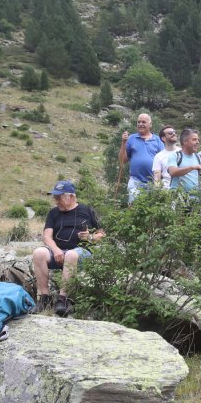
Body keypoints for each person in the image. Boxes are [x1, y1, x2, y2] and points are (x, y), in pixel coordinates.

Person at [32, 180, 104, 316]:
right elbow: (47, 236)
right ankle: (44, 298)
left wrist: (90, 237)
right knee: (38, 253)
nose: (56, 201)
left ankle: (62, 299)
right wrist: (56, 250)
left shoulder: (87, 210)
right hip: (58, 252)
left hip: (81, 252)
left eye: (59, 197)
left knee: (71, 254)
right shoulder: (53, 213)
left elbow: (101, 234)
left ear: (71, 196)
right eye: (55, 197)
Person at [119, 114, 165, 202]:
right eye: (138, 122)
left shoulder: (158, 140)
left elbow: (164, 161)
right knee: (134, 205)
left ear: (150, 124)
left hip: (153, 183)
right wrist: (123, 143)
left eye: (143, 122)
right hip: (135, 181)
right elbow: (122, 160)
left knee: (150, 208)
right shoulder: (131, 138)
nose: (140, 124)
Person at [167, 128, 201, 198]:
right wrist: (193, 167)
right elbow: (172, 172)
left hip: (196, 199)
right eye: (194, 140)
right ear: (185, 142)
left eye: (198, 140)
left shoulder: (199, 157)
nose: (198, 142)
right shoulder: (175, 156)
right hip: (178, 199)